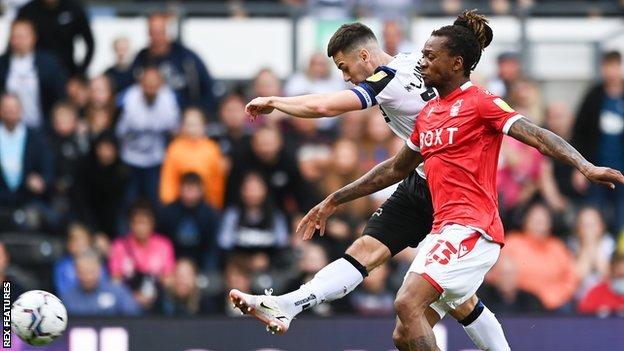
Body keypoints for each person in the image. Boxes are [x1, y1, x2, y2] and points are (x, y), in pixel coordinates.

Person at [294, 11, 622, 350]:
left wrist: (585, 166)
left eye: (430, 56)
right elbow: (393, 171)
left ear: (456, 63)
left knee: (407, 302)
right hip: (442, 229)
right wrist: (335, 199)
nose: (421, 62)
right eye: (422, 54)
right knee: (404, 334)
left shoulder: (481, 102)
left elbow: (537, 135)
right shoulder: (428, 115)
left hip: (474, 228)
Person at [235, 20, 507, 348]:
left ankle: (285, 306)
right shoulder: (411, 60)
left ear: (364, 55)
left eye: (344, 67)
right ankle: (286, 305)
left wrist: (275, 102)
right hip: (421, 181)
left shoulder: (386, 80)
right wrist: (336, 198)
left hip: (447, 191)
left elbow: (322, 107)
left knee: (450, 297)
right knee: (394, 267)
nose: (346, 78)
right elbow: (398, 163)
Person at [572, 50, 624, 233]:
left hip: (621, 170)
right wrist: (579, 166)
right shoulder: (594, 95)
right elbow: (580, 132)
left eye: (614, 66)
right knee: (594, 215)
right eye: (607, 66)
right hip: (597, 168)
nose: (611, 71)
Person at [129, 13, 217, 116]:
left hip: (184, 116)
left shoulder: (187, 57)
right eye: (153, 32)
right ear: (148, 33)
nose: (157, 37)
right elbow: (131, 90)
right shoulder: (141, 58)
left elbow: (207, 87)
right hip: (149, 117)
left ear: (167, 32)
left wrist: (197, 113)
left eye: (160, 32)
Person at [116, 65, 180, 208]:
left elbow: (173, 128)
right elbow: (120, 131)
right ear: (140, 84)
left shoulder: (168, 99)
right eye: (147, 82)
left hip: (156, 159)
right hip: (130, 158)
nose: (151, 86)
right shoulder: (129, 99)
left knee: (155, 201)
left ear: (161, 84)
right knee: (129, 201)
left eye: (154, 82)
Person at [503, 203, 578, 310]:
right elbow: (495, 274)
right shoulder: (512, 242)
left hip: (552, 305)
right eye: (534, 220)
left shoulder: (557, 247)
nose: (538, 225)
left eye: (542, 221)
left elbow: (571, 277)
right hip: (518, 302)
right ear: (526, 222)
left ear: (549, 225)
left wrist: (557, 296)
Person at [0, 19, 67, 129]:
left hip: (42, 128)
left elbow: (60, 96)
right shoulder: (2, 64)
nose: (18, 41)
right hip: (8, 129)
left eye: (22, 36)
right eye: (14, 36)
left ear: (33, 38)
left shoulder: (49, 64)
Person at [159, 107, 226, 209]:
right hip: (179, 203)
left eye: (196, 124)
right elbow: (168, 180)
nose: (192, 128)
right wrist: (168, 204)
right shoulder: (174, 148)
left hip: (206, 203)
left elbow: (216, 180)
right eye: (189, 124)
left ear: (203, 126)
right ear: (182, 127)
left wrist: (216, 203)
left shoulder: (212, 149)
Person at [158, 172, 220, 270]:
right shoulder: (168, 212)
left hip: (200, 265)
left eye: (193, 189)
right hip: (172, 265)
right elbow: (161, 243)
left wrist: (206, 271)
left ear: (201, 190)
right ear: (180, 189)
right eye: (187, 188)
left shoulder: (209, 214)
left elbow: (211, 248)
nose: (190, 194)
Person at [17, 0, 94, 76]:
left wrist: (79, 74)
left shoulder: (73, 9)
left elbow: (90, 43)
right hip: (33, 73)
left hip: (66, 72)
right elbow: (14, 42)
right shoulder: (28, 11)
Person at [61, 251, 140, 316]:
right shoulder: (68, 298)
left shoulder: (117, 292)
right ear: (75, 272)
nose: (87, 277)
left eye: (90, 272)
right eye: (82, 272)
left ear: (99, 270)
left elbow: (133, 317)